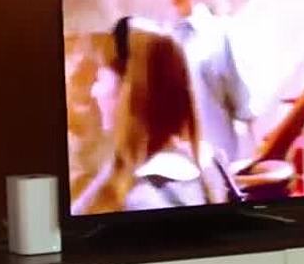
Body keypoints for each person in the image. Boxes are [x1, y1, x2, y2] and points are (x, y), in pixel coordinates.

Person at [70, 17, 231, 215]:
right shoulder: (205, 164)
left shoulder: (144, 199)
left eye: (100, 78)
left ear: (130, 92)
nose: (95, 91)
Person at [167, 0, 257, 165]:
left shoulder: (220, 34)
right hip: (177, 166)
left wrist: (254, 163)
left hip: (219, 163)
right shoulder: (161, 40)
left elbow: (246, 107)